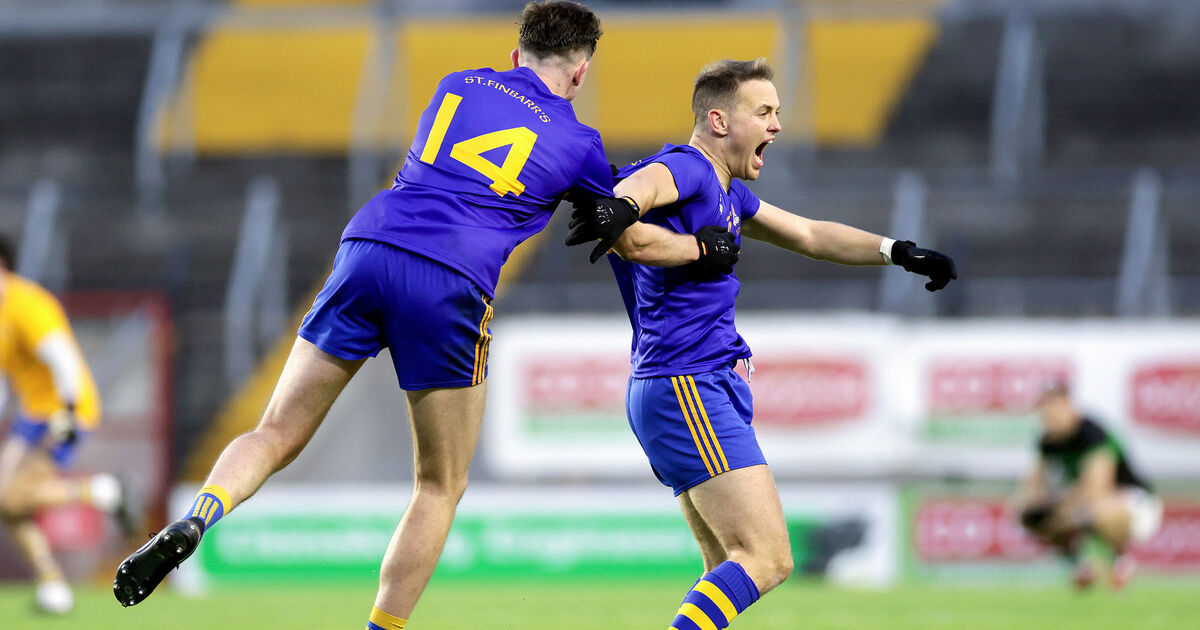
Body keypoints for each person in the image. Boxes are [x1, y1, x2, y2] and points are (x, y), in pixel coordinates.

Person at [113, 3, 665, 627]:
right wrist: (697, 237)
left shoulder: (459, 83)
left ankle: (197, 517)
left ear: (516, 56)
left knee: (276, 430)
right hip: (452, 275)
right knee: (439, 485)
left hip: (370, 246)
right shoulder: (581, 144)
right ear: (581, 73)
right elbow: (627, 235)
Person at [570, 58, 956, 630]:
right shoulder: (691, 167)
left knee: (727, 564)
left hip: (683, 384)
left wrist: (896, 250)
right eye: (764, 111)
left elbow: (809, 234)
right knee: (767, 558)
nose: (776, 125)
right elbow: (644, 188)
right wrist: (626, 204)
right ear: (719, 121)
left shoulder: (726, 193)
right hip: (688, 384)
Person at [0, 235, 132, 614]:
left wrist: (69, 412)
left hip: (64, 408)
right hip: (32, 415)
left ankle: (103, 492)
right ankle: (54, 584)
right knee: (6, 501)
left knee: (10, 496)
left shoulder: (28, 303)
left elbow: (63, 358)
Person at [1010, 383, 1161, 590]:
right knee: (1031, 515)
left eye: (1053, 406)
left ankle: (1121, 562)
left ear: (1068, 406)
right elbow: (1032, 488)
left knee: (1093, 511)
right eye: (1044, 408)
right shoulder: (1047, 442)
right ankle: (1079, 566)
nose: (1048, 414)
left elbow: (1096, 490)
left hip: (1136, 504)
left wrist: (1060, 510)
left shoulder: (1092, 434)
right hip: (1082, 505)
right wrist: (1032, 510)